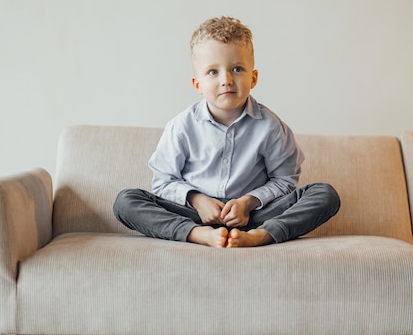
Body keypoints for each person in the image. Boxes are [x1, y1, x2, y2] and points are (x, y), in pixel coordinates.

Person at [113, 16, 340, 248]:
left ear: (253, 78)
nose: (227, 80)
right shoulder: (181, 127)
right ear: (197, 84)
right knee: (126, 201)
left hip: (254, 217)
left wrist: (248, 202)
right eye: (213, 72)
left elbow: (284, 180)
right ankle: (197, 234)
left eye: (237, 69)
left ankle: (260, 236)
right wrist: (197, 200)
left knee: (325, 194)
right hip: (194, 215)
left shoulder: (270, 126)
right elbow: (163, 182)